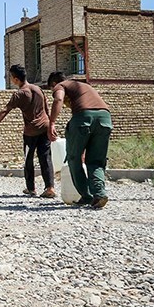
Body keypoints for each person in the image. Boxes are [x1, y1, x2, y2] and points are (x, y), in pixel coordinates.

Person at [0, 64, 55, 198]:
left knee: (28, 159)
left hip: (31, 132)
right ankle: (50, 187)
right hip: (45, 127)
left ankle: (31, 189)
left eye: (11, 77)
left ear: (16, 79)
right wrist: (51, 125)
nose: (11, 79)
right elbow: (47, 108)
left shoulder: (20, 94)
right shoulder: (38, 89)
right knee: (45, 158)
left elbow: (5, 110)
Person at [47, 71, 113, 209]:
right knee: (96, 161)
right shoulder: (83, 86)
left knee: (73, 159)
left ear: (54, 84)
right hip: (105, 118)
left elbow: (58, 99)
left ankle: (87, 196)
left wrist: (51, 123)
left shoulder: (60, 86)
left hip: (83, 118)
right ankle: (99, 194)